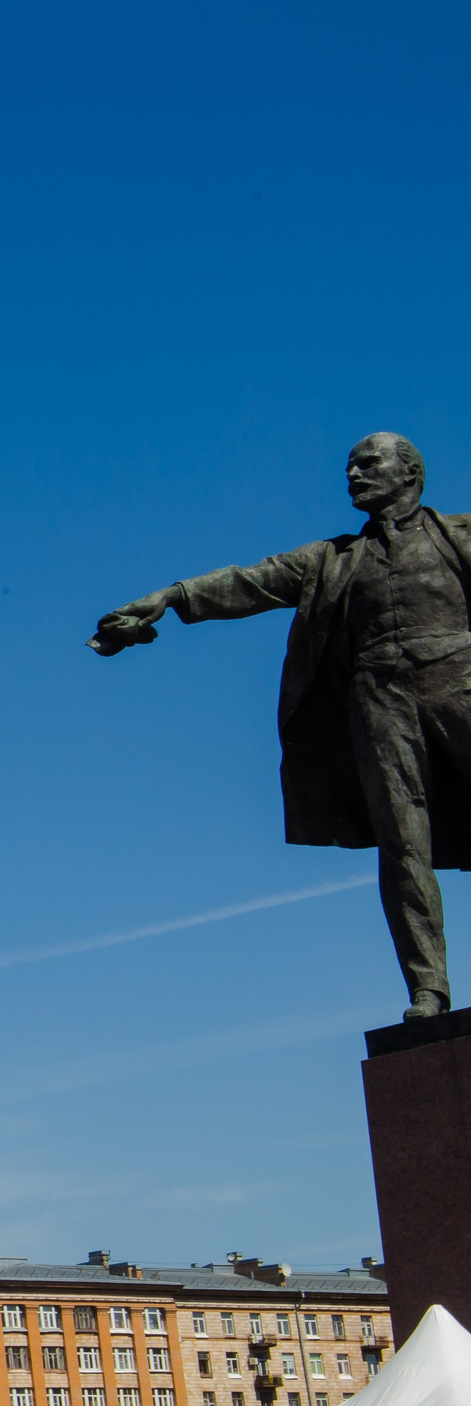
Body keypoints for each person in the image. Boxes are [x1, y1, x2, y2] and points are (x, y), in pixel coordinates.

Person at [86, 432, 471, 1019]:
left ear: (410, 471)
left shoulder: (459, 535)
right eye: (349, 467)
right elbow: (249, 581)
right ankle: (429, 989)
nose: (353, 475)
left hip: (460, 686)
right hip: (379, 706)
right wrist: (169, 597)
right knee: (402, 848)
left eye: (368, 464)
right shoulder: (331, 559)